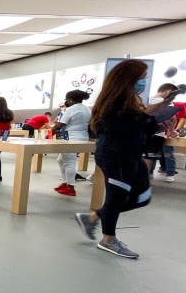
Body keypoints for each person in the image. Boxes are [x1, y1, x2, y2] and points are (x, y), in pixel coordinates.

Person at [74, 59, 175, 259]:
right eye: (141, 78)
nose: (144, 82)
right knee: (116, 197)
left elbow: (139, 126)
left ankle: (93, 218)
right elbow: (117, 128)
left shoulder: (132, 100)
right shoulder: (113, 102)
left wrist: (157, 118)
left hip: (131, 153)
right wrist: (149, 114)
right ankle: (108, 239)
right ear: (129, 79)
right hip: (116, 154)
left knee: (142, 197)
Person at [50, 90, 91, 196]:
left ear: (71, 99)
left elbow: (59, 125)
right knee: (60, 159)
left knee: (69, 161)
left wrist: (49, 135)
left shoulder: (70, 109)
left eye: (66, 99)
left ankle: (70, 187)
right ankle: (65, 183)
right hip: (83, 138)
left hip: (71, 138)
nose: (65, 101)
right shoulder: (87, 109)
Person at [147, 83, 181, 182]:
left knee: (160, 154)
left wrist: (171, 130)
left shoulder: (165, 102)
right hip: (153, 133)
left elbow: (172, 118)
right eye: (173, 96)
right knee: (153, 154)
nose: (173, 99)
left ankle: (167, 173)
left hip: (159, 133)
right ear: (168, 92)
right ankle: (149, 174)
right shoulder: (153, 100)